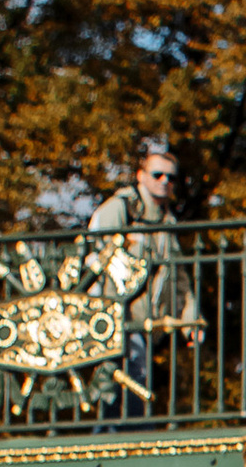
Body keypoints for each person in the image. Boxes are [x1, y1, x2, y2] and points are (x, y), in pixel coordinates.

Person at [84, 138, 198, 415]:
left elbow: (179, 277)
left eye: (170, 178)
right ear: (141, 176)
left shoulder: (166, 223)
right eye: (157, 174)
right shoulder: (121, 208)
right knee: (130, 375)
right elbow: (92, 253)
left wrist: (190, 319)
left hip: (146, 324)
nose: (164, 181)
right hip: (116, 318)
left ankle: (115, 434)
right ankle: (124, 437)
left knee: (132, 380)